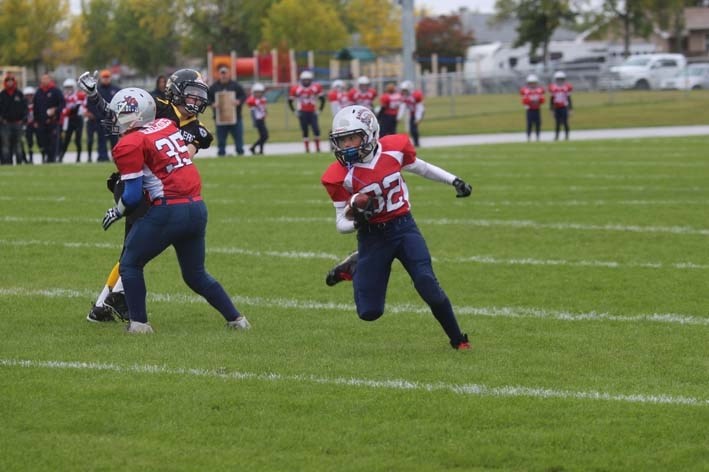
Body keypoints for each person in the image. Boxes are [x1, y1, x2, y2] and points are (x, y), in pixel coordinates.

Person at [320, 105, 473, 350]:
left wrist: (453, 180)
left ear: (369, 133)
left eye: (351, 138)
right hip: (372, 238)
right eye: (341, 141)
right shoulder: (339, 175)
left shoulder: (393, 149)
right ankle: (356, 266)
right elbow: (341, 223)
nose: (346, 146)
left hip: (404, 228)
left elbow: (421, 167)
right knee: (369, 312)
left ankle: (458, 340)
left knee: (427, 283)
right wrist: (358, 219)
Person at [98, 87, 250, 333]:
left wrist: (117, 211)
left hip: (168, 211)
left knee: (130, 264)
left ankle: (139, 324)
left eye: (121, 114)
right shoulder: (165, 126)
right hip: (197, 207)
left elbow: (134, 196)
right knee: (196, 275)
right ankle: (237, 320)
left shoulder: (130, 143)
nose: (117, 119)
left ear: (135, 116)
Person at [79, 68, 214, 322]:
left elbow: (188, 153)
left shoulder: (199, 130)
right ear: (176, 92)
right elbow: (115, 116)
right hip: (136, 185)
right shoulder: (156, 107)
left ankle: (102, 307)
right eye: (191, 93)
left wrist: (191, 146)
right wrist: (95, 96)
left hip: (162, 193)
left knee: (133, 250)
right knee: (133, 251)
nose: (196, 100)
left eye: (200, 95)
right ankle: (113, 300)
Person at [208, 66, 247, 156]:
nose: (224, 76)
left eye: (225, 73)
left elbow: (243, 96)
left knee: (238, 136)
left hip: (235, 117)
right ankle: (221, 153)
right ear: (219, 75)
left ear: (229, 74)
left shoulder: (235, 85)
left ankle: (240, 152)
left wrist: (238, 101)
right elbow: (207, 99)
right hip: (220, 118)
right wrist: (212, 104)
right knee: (221, 138)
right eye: (222, 74)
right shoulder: (214, 87)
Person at [84, 70, 119, 162]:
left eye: (107, 77)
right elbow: (90, 103)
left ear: (110, 78)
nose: (106, 79)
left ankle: (116, 157)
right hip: (100, 119)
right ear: (101, 78)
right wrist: (97, 115)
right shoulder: (96, 90)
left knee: (114, 140)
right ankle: (102, 157)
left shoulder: (116, 90)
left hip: (113, 119)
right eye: (104, 77)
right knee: (101, 139)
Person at [288, 70, 325, 153]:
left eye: (308, 80)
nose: (306, 81)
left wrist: (320, 110)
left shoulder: (315, 88)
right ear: (301, 80)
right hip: (302, 112)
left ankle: (318, 148)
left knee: (316, 130)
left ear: (311, 80)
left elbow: (322, 99)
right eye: (305, 80)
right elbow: (290, 101)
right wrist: (294, 111)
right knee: (305, 130)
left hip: (312, 111)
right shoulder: (297, 89)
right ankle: (307, 149)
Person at [33, 74, 65, 163]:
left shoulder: (56, 91)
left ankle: (52, 159)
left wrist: (56, 110)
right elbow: (35, 107)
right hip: (41, 121)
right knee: (43, 141)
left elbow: (62, 103)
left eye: (47, 79)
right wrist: (35, 120)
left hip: (53, 121)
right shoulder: (38, 92)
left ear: (50, 80)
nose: (45, 81)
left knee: (53, 141)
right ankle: (46, 156)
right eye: (43, 79)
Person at [0, 74, 28, 165]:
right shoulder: (2, 95)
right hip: (5, 124)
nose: (10, 82)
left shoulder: (19, 94)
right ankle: (6, 163)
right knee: (5, 144)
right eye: (8, 81)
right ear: (5, 82)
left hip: (17, 123)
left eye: (11, 80)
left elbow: (25, 108)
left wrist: (23, 119)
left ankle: (19, 162)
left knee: (18, 144)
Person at [59, 78, 86, 163]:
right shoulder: (63, 97)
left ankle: (78, 158)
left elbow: (79, 108)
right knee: (66, 139)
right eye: (67, 88)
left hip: (78, 119)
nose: (68, 89)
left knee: (77, 140)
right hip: (69, 119)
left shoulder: (79, 96)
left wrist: (68, 111)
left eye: (70, 87)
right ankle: (61, 157)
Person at [398, 80, 424, 147]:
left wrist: (418, 118)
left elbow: (420, 107)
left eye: (405, 90)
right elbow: (403, 107)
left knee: (414, 129)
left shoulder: (415, 95)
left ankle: (417, 143)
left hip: (418, 112)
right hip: (412, 113)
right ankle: (416, 143)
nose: (403, 92)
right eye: (403, 90)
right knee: (412, 129)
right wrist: (399, 117)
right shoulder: (405, 96)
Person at [549, 71, 573, 141]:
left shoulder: (566, 87)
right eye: (558, 79)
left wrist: (570, 109)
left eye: (561, 79)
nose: (559, 81)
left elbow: (569, 98)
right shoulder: (553, 88)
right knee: (557, 123)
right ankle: (557, 136)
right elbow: (552, 99)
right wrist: (551, 109)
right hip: (557, 107)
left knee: (565, 122)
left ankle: (566, 136)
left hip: (564, 107)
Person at [520, 74, 545, 142]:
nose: (532, 85)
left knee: (538, 124)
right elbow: (524, 101)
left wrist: (537, 101)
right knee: (529, 124)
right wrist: (531, 101)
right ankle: (528, 137)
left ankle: (537, 137)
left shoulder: (539, 90)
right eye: (531, 83)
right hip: (529, 110)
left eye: (534, 83)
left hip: (537, 109)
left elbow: (542, 100)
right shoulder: (526, 91)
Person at [246, 82, 268, 155]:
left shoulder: (263, 99)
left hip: (262, 119)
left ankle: (261, 150)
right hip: (258, 120)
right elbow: (249, 103)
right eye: (256, 92)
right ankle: (253, 147)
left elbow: (263, 108)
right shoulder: (252, 100)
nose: (258, 94)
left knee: (262, 136)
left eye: (260, 92)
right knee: (265, 136)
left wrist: (265, 113)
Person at [22, 86, 37, 164]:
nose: (29, 97)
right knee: (28, 142)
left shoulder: (37, 104)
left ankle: (44, 156)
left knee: (39, 141)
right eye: (27, 96)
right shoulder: (22, 105)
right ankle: (27, 158)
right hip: (26, 125)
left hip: (35, 124)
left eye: (30, 95)